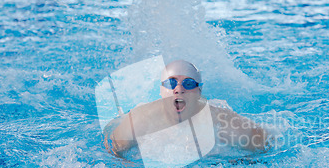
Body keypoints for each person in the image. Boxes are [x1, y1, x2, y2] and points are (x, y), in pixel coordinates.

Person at [103, 59, 269, 158]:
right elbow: (112, 148)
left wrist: (242, 164)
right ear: (161, 90)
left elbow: (266, 144)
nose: (179, 89)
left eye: (189, 83)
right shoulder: (140, 120)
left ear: (199, 92)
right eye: (171, 83)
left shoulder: (223, 123)